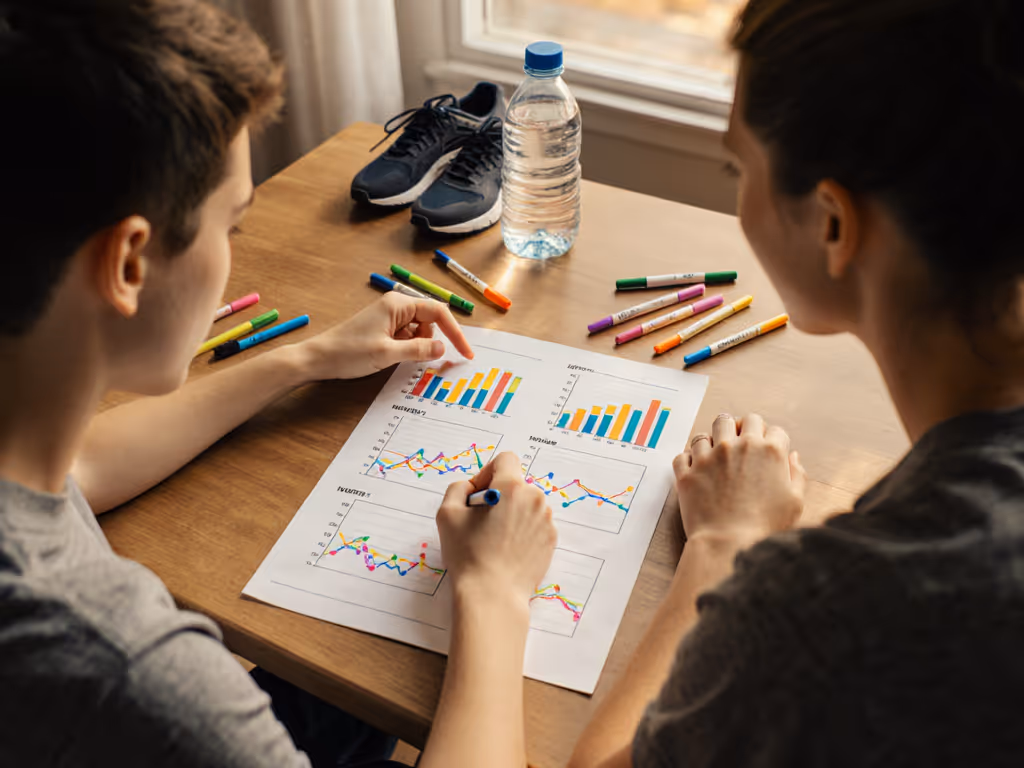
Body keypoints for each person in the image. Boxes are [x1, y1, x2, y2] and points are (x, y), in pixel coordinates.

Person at [0, 1, 556, 766]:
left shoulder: (18, 438)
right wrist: (496, 591)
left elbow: (78, 471)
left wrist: (305, 359)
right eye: (232, 225)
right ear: (129, 265)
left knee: (347, 671)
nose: (235, 250)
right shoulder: (143, 676)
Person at [564, 0, 1024, 766]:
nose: (737, 194)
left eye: (737, 167)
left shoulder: (829, 609)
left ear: (834, 224)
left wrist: (724, 540)